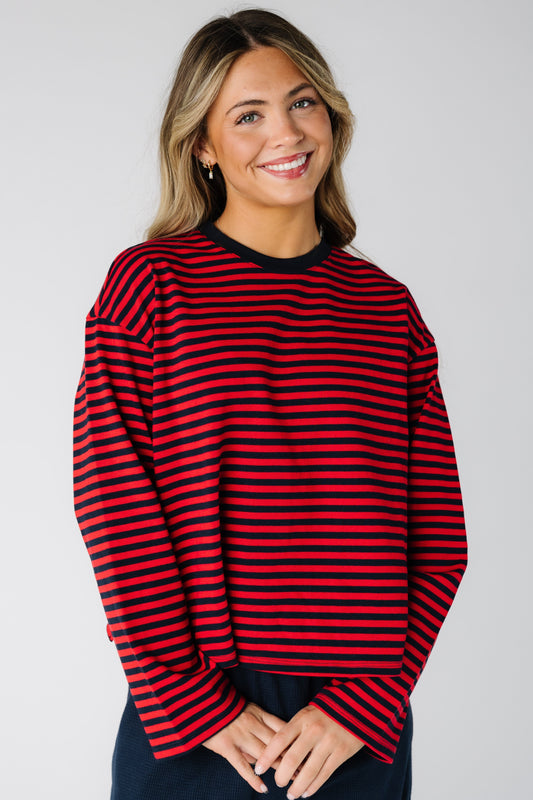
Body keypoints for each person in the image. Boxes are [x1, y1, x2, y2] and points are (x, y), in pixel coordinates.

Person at [73, 8, 468, 800]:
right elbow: (114, 499)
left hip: (353, 724)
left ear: (330, 115)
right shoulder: (151, 286)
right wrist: (188, 697)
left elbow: (437, 534)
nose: (285, 132)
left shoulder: (385, 308)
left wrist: (370, 701)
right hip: (201, 715)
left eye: (301, 102)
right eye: (247, 115)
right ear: (202, 145)